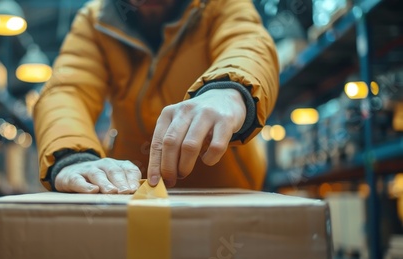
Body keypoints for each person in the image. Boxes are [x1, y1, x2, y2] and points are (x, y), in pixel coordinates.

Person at [34, 0, 279, 193]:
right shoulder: (95, 22)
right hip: (128, 193)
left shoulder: (219, 5)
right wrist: (72, 157)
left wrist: (230, 90)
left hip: (227, 193)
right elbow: (68, 90)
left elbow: (249, 45)